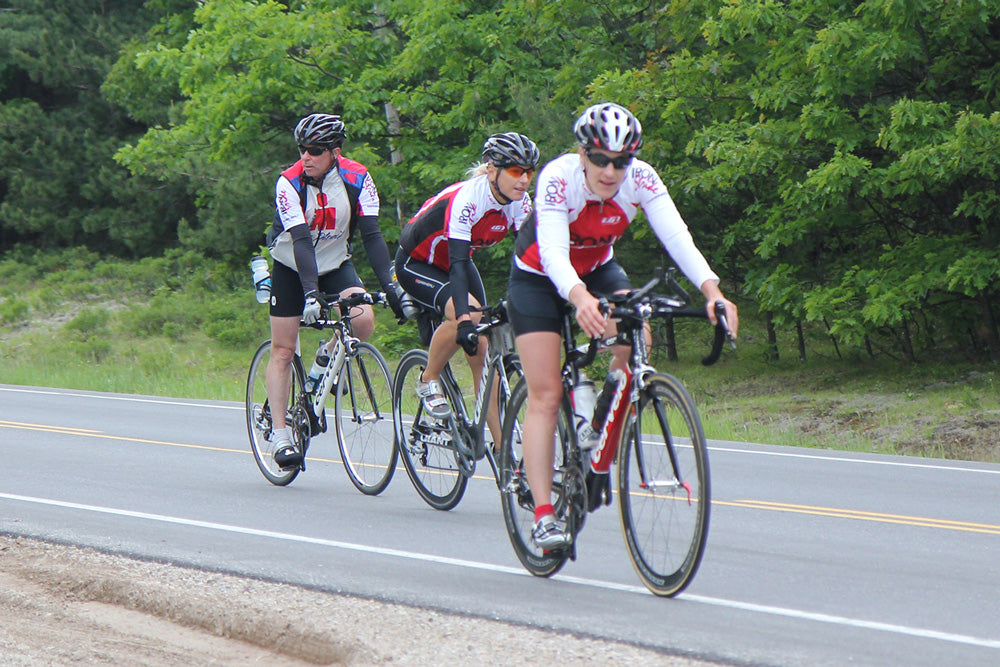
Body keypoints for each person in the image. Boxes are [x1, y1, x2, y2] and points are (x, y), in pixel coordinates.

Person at [508, 103, 739, 549]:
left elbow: (677, 236)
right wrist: (579, 300)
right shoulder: (558, 178)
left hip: (598, 269)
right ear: (582, 154)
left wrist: (713, 291)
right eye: (599, 160)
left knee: (637, 341)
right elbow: (554, 252)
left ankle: (598, 421)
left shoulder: (642, 178)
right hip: (538, 276)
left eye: (621, 162)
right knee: (547, 393)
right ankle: (542, 514)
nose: (611, 172)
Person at [266, 113, 404, 469]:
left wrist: (390, 286)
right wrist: (310, 294)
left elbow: (372, 235)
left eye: (314, 150)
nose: (305, 157)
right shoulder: (288, 182)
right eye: (302, 150)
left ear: (335, 152)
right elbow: (299, 240)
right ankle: (280, 436)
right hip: (291, 264)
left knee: (362, 319)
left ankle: (323, 362)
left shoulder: (357, 177)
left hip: (335, 262)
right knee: (283, 349)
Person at [395, 132, 539, 445]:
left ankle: (502, 450)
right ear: (492, 170)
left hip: (456, 262)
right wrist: (462, 320)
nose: (524, 179)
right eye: (515, 171)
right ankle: (428, 377)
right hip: (417, 263)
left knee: (485, 351)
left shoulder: (519, 202)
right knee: (471, 318)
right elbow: (458, 264)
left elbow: (533, 257)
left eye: (529, 172)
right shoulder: (468, 200)